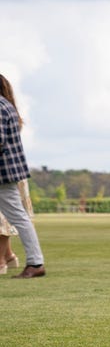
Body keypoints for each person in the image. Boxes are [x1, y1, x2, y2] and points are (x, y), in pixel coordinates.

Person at [0, 73, 45, 278]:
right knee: (19, 217)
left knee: (19, 217)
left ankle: (35, 263)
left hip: (2, 174)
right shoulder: (7, 105)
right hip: (9, 172)